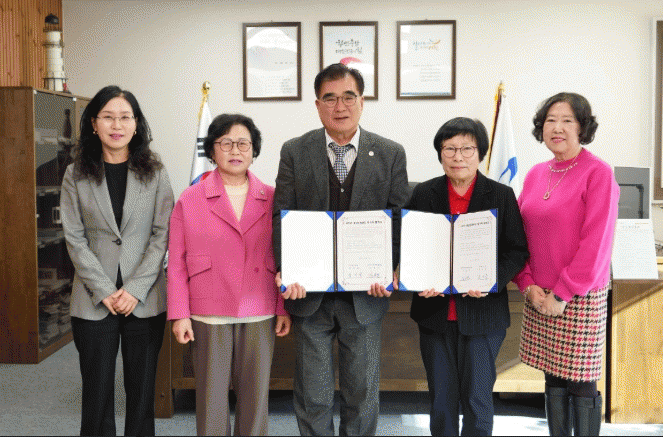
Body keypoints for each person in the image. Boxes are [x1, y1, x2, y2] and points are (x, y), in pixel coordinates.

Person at [272, 63, 409, 436]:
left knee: (361, 393)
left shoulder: (390, 153)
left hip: (365, 294)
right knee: (313, 394)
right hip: (309, 294)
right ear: (317, 105)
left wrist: (392, 269)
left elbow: (398, 218)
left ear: (362, 101)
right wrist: (287, 270)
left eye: (349, 97)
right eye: (329, 98)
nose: (340, 106)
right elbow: (281, 216)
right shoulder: (295, 151)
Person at [402, 117, 529, 436]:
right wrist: (418, 278)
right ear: (440, 153)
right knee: (441, 401)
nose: (458, 156)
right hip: (435, 314)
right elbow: (409, 245)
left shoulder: (501, 195)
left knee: (477, 399)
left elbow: (516, 251)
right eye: (450, 149)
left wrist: (490, 280)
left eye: (467, 149)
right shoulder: (423, 193)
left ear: (481, 153)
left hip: (483, 315)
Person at [168, 113, 291, 436]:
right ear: (212, 149)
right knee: (210, 401)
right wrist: (179, 314)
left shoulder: (273, 197)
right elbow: (176, 262)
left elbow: (284, 258)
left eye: (243, 143)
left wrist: (282, 307)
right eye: (226, 143)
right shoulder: (190, 198)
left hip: (259, 307)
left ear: (254, 150)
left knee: (255, 400)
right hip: (208, 311)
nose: (235, 150)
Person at [60, 85, 174, 436]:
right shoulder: (75, 174)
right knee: (96, 394)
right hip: (93, 298)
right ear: (94, 124)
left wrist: (135, 289)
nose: (117, 125)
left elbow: (162, 234)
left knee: (141, 395)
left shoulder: (155, 172)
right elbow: (74, 238)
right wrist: (106, 290)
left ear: (136, 124)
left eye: (125, 117)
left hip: (145, 298)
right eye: (108, 117)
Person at [514, 93, 619, 436]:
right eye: (550, 120)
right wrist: (527, 283)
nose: (557, 128)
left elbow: (596, 242)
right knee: (553, 377)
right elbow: (519, 234)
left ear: (582, 127)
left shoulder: (598, 173)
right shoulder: (535, 173)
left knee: (581, 381)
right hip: (538, 293)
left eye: (567, 120)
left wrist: (562, 293)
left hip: (577, 296)